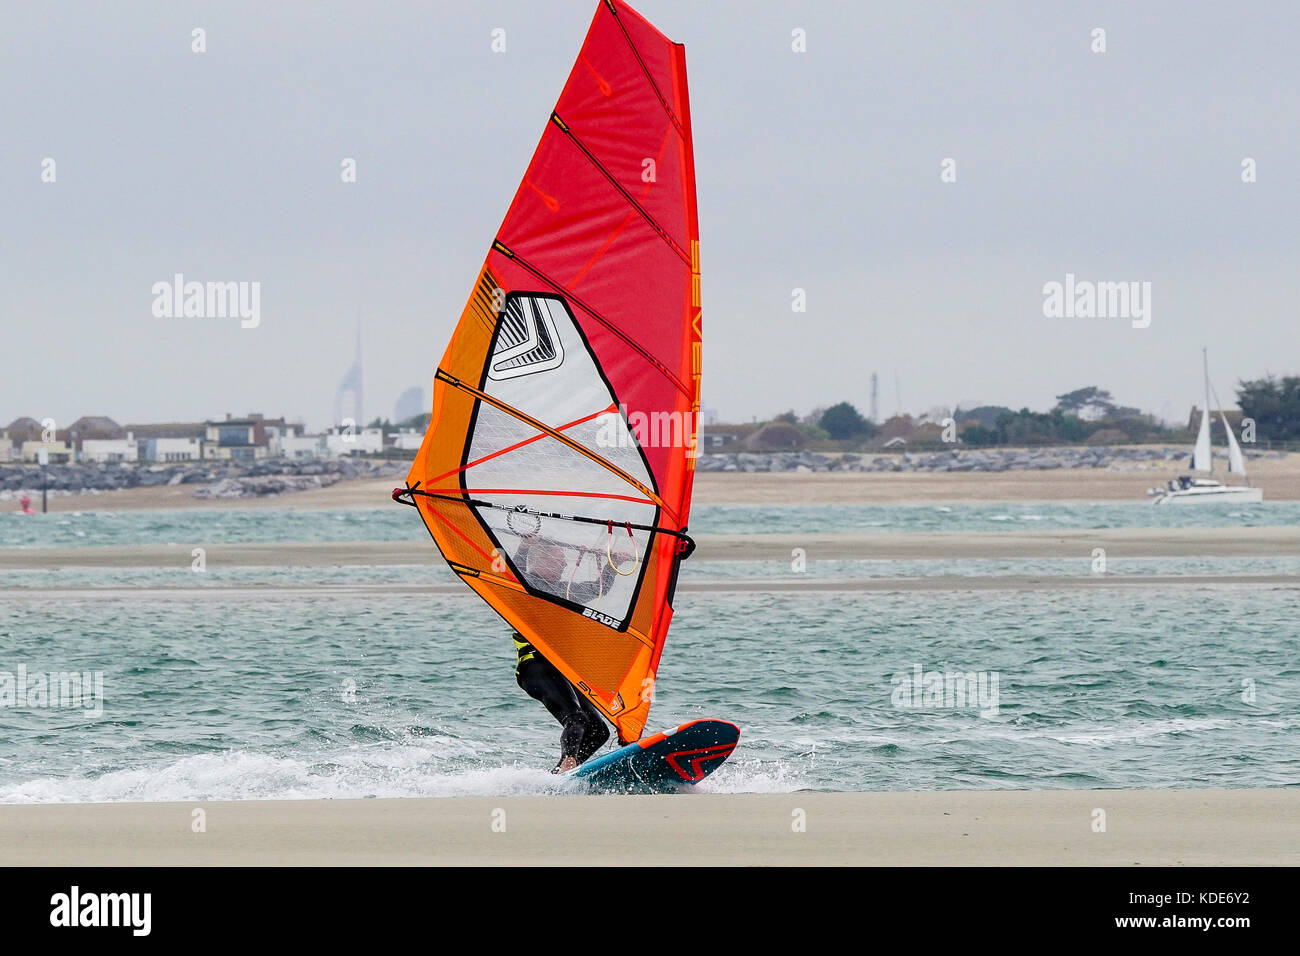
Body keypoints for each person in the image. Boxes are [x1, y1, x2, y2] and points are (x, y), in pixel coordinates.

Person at [509, 530, 635, 771]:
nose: (564, 564)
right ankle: (569, 762)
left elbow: (599, 589)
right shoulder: (525, 586)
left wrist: (613, 564)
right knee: (575, 718)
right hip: (536, 667)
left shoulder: (562, 590)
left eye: (564, 560)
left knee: (598, 731)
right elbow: (511, 573)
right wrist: (525, 547)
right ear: (540, 560)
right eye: (558, 560)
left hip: (562, 668)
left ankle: (563, 772)